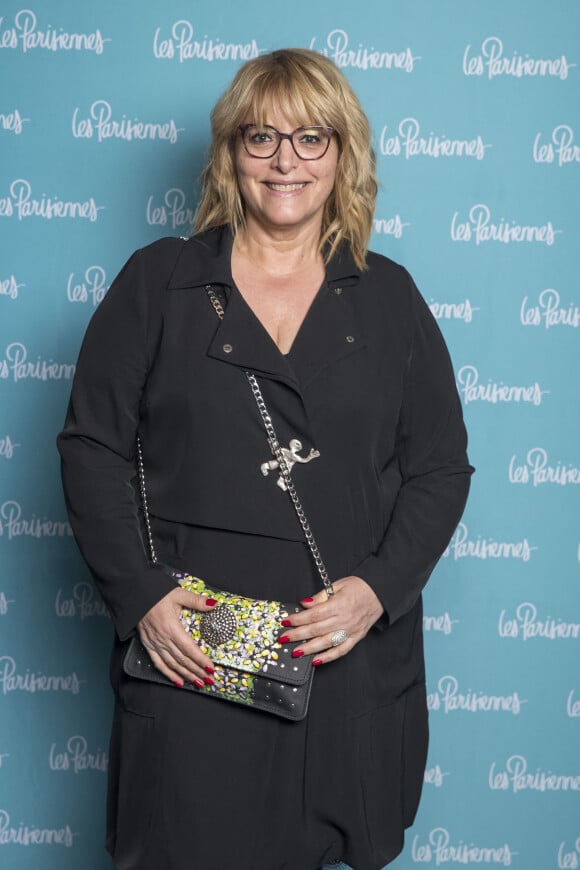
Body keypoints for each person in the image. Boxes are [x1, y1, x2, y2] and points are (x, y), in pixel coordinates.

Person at [57, 48, 473, 870]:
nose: (286, 161)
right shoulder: (157, 284)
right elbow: (91, 448)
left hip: (336, 661)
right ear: (229, 155)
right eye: (261, 138)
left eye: (311, 138)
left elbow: (440, 468)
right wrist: (143, 596)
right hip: (197, 654)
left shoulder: (391, 298)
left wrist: (376, 592)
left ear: (343, 153)